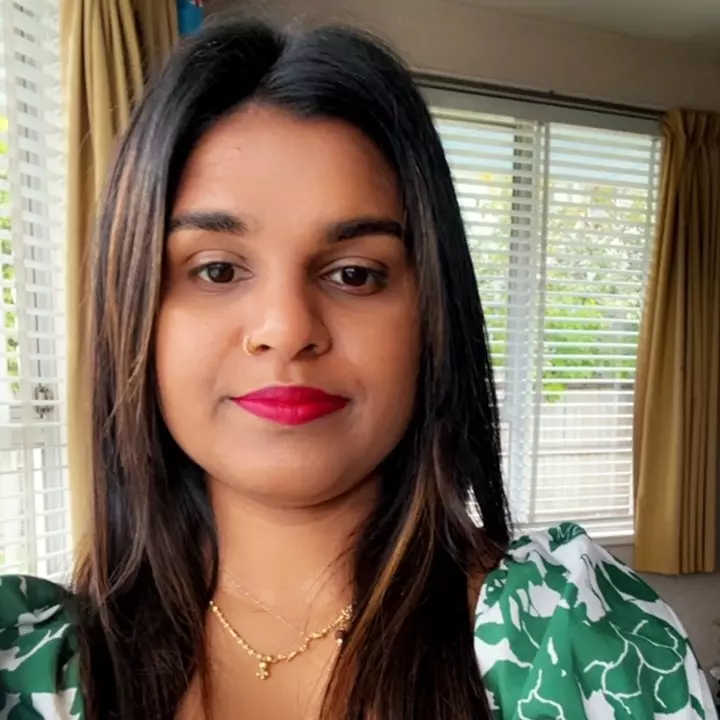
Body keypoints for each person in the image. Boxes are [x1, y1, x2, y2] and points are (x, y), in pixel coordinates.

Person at [0, 17, 715, 720]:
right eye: (216, 269)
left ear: (432, 316)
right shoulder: (28, 670)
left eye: (354, 274)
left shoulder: (576, 645)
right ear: (132, 314)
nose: (288, 329)